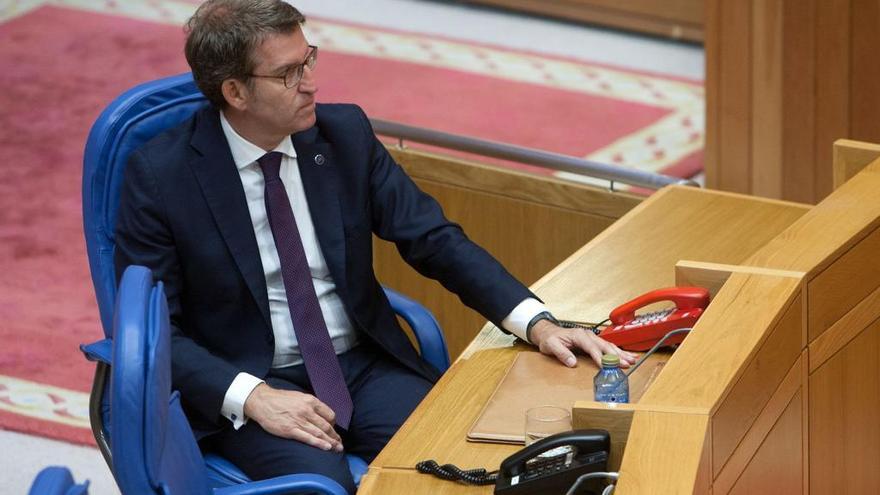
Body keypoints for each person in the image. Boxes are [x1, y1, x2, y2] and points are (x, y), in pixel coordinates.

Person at [114, 0, 636, 492]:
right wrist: (252, 397)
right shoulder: (162, 177)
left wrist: (538, 322)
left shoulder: (345, 136)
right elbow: (152, 327)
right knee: (324, 487)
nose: (310, 84)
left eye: (309, 59)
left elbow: (432, 239)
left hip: (362, 364)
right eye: (287, 74)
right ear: (235, 92)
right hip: (257, 379)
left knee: (452, 458)